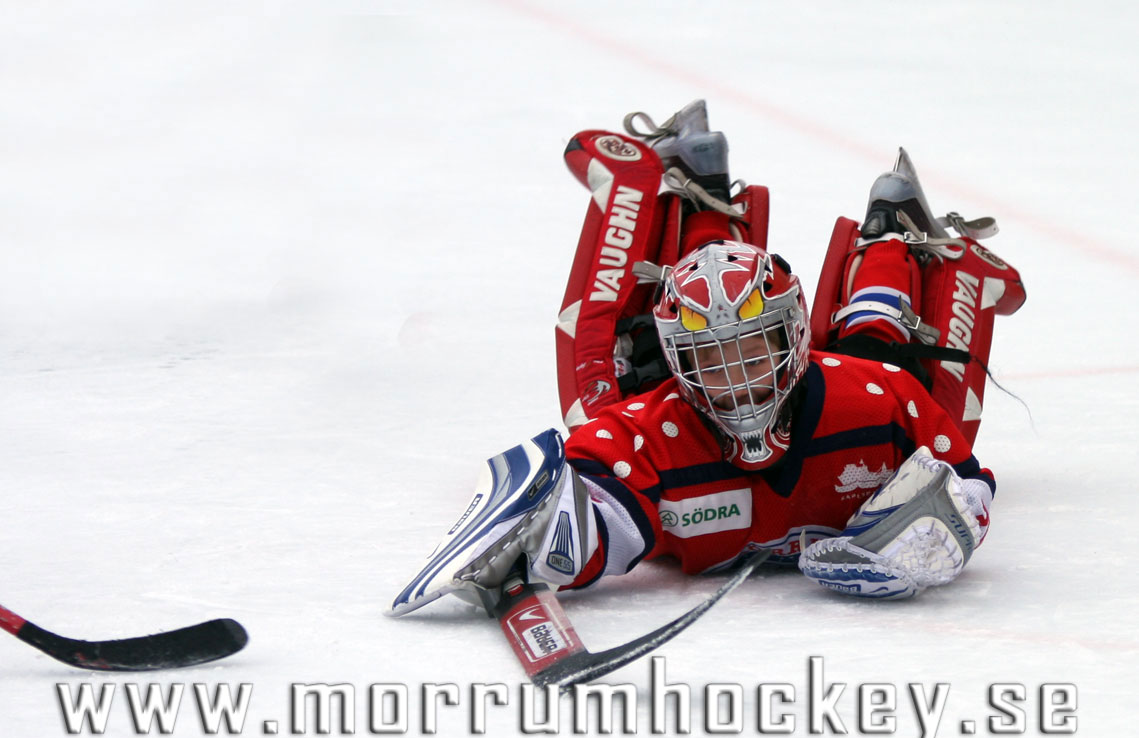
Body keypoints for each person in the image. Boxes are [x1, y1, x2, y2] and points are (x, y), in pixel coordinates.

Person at [389, 102, 1025, 616]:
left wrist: (943, 525)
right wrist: (552, 540)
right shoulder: (647, 432)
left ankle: (892, 230)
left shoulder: (881, 399)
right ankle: (700, 194)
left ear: (792, 340)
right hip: (669, 405)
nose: (738, 378)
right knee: (609, 386)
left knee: (878, 346)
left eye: (754, 351)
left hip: (851, 379)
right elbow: (598, 501)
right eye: (711, 360)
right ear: (682, 364)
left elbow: (967, 477)